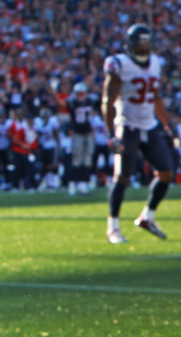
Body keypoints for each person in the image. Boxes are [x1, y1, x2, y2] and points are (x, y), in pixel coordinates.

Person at [103, 23, 175, 243]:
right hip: (127, 125)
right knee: (123, 177)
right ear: (131, 44)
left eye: (147, 41)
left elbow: (155, 97)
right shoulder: (119, 64)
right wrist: (112, 134)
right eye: (140, 42)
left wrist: (167, 124)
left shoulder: (155, 62)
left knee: (166, 173)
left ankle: (148, 216)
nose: (144, 46)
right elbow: (108, 101)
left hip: (149, 124)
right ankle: (113, 227)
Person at [65, 82, 97, 195]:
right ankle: (73, 183)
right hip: (78, 134)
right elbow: (66, 104)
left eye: (82, 93)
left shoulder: (90, 101)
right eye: (78, 93)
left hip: (88, 133)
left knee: (87, 159)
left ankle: (84, 182)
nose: (81, 96)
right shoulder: (72, 102)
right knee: (76, 159)